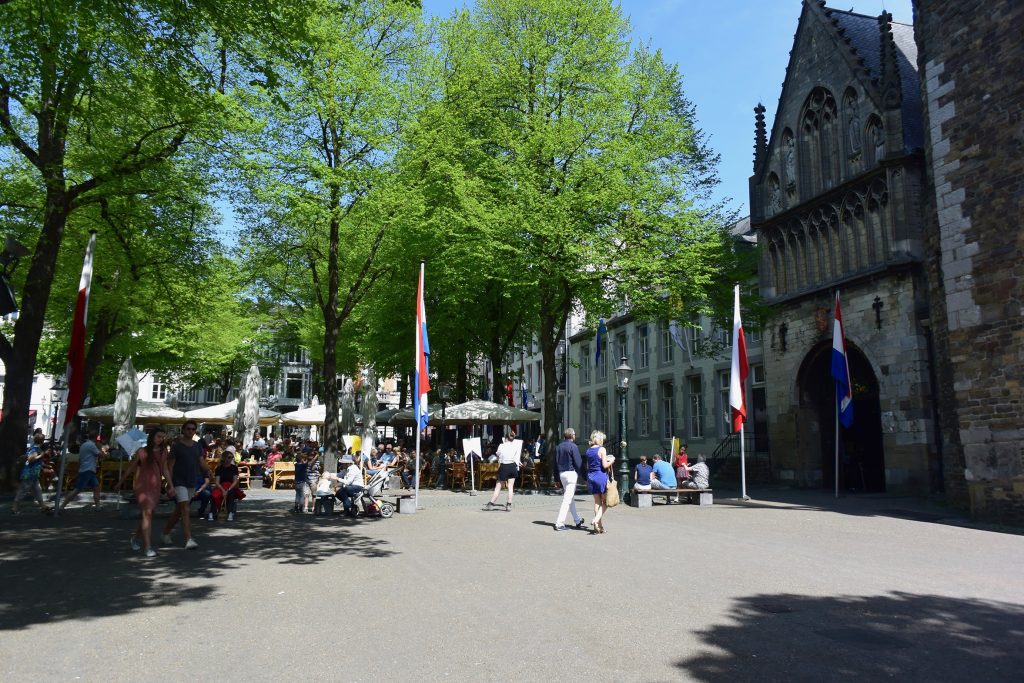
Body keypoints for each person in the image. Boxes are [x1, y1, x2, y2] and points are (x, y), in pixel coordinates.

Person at [115, 428, 173, 557]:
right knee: (147, 513)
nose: (160, 439)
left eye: (162, 437)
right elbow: (131, 467)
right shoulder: (141, 451)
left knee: (148, 514)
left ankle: (135, 538)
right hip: (142, 485)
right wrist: (121, 482)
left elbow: (165, 469)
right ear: (152, 436)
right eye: (159, 436)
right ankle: (148, 547)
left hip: (155, 485)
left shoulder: (163, 452)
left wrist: (171, 484)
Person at [162, 420, 209, 549]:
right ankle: (188, 539)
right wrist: (169, 483)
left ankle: (166, 532)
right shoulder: (176, 446)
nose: (190, 431)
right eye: (188, 428)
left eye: (193, 429)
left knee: (179, 510)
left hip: (192, 481)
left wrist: (209, 471)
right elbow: (170, 466)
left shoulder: (197, 446)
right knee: (185, 509)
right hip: (179, 481)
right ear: (183, 430)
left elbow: (201, 461)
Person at [59, 430, 105, 512]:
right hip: (88, 469)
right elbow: (101, 456)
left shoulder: (83, 445)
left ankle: (98, 506)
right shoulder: (92, 446)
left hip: (86, 469)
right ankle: (62, 505)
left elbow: (80, 459)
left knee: (96, 487)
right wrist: (101, 448)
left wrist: (78, 468)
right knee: (78, 489)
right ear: (95, 438)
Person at [553, 428, 585, 531]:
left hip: (562, 474)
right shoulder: (573, 446)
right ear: (571, 436)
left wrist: (556, 479)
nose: (575, 436)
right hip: (571, 474)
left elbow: (555, 464)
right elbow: (578, 463)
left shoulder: (559, 447)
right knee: (567, 499)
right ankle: (559, 523)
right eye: (574, 434)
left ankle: (577, 520)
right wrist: (585, 477)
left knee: (570, 498)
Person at [12, 434, 52, 515]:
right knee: (23, 490)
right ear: (42, 441)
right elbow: (30, 460)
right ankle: (14, 507)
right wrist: (41, 455)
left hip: (33, 474)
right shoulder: (35, 449)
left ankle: (43, 506)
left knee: (37, 490)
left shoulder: (34, 447)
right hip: (30, 473)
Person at [585, 430, 615, 534]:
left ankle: (599, 527)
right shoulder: (602, 449)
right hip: (600, 477)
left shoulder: (588, 451)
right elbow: (604, 466)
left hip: (591, 477)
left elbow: (589, 466)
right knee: (606, 502)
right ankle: (596, 520)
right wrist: (611, 460)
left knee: (597, 502)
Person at [484, 432, 519, 511]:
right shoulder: (515, 446)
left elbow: (498, 455)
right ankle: (509, 504)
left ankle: (491, 503)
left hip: (504, 465)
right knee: (510, 487)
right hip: (512, 466)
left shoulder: (501, 446)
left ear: (505, 438)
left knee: (498, 487)